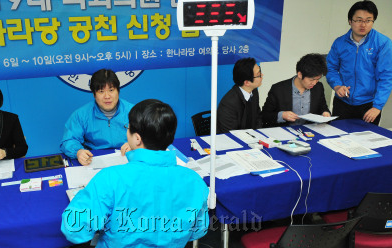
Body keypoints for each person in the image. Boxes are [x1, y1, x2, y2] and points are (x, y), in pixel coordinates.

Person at [61, 99, 209, 247]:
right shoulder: (195, 181)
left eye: (128, 127)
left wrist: (85, 195)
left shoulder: (110, 178)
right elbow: (198, 231)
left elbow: (74, 229)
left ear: (137, 138)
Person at [326, 0, 392, 125]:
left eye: (368, 20)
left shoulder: (383, 43)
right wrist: (337, 86)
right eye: (359, 20)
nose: (363, 25)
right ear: (350, 21)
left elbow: (386, 77)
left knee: (366, 142)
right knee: (338, 140)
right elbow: (331, 68)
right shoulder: (339, 43)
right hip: (342, 102)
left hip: (369, 105)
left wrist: (377, 107)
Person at [60, 69, 134, 165]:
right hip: (94, 162)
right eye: (101, 91)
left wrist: (136, 145)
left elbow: (149, 136)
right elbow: (69, 140)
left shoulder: (133, 111)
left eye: (111, 90)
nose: (107, 96)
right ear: (94, 94)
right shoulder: (81, 115)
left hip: (128, 161)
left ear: (118, 91)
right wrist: (78, 152)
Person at [262, 53, 331, 127]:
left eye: (318, 79)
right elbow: (264, 115)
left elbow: (323, 107)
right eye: (312, 79)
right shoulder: (278, 89)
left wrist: (325, 113)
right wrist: (282, 115)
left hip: (309, 131)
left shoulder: (318, 87)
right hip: (285, 131)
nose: (314, 83)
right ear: (300, 75)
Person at [217, 58, 263, 134]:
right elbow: (230, 134)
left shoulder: (254, 91)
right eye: (258, 74)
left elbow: (258, 117)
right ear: (247, 83)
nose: (262, 75)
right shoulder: (228, 104)